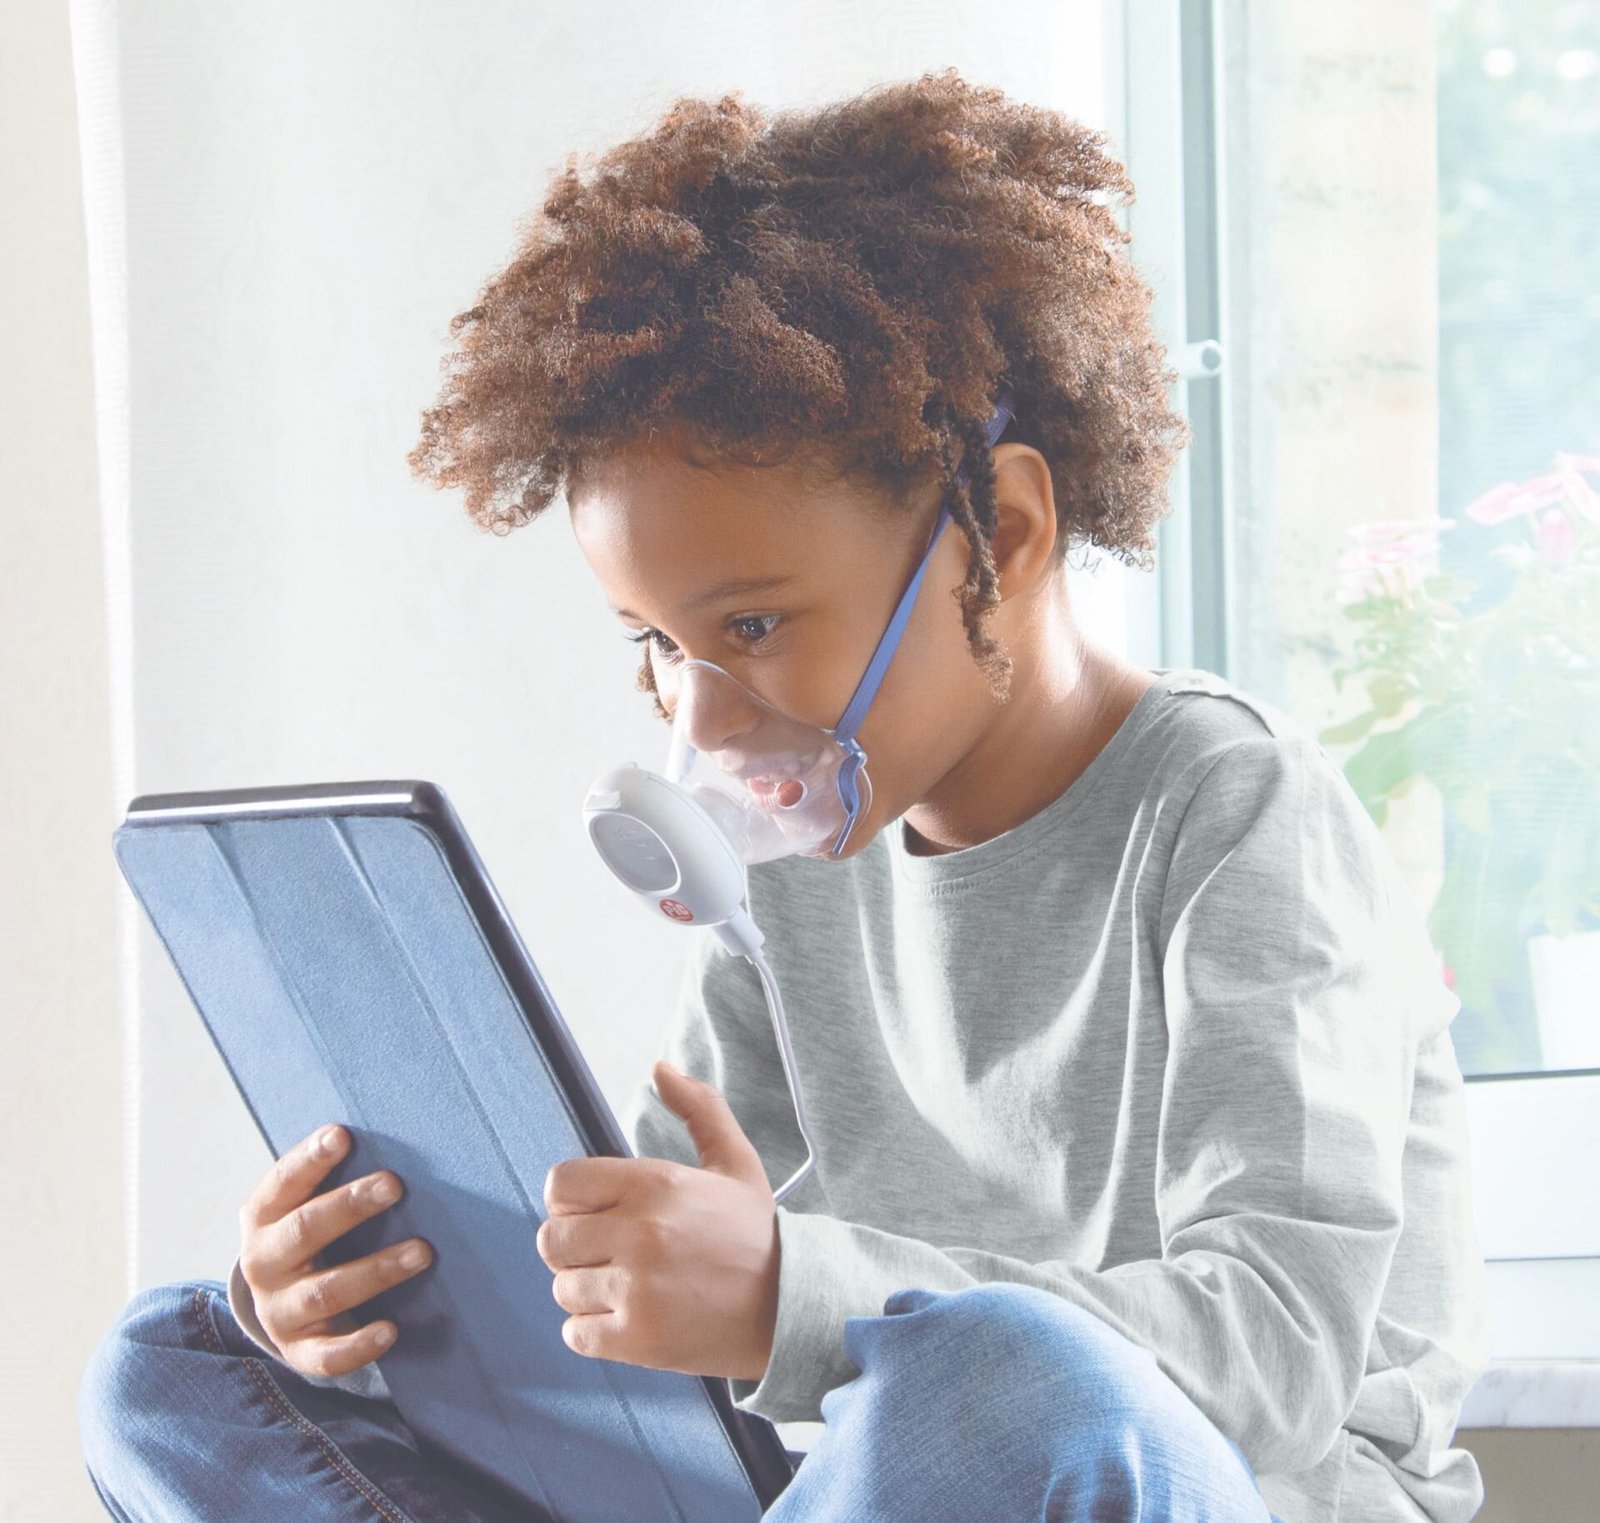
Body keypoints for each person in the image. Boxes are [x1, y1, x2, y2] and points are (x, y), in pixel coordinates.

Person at [78, 67, 1490, 1521]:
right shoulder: (809, 866)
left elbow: (1281, 1361)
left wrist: (785, 1292)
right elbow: (638, 1323)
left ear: (997, 535)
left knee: (995, 1380)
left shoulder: (1234, 818)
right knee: (169, 1368)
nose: (700, 717)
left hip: (1227, 1486)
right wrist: (357, 1311)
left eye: (751, 629)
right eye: (658, 646)